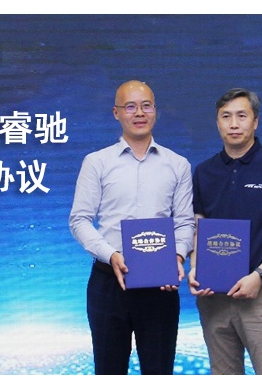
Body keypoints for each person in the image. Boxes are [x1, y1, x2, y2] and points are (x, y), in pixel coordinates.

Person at [68, 80, 194, 375]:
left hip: (160, 284)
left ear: (155, 111)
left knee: (159, 372)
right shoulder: (96, 162)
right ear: (116, 113)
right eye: (130, 107)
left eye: (146, 106)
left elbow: (185, 222)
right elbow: (79, 220)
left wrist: (176, 257)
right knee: (109, 372)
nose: (139, 113)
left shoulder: (178, 165)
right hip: (109, 282)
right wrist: (111, 254)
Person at [188, 88, 262, 375]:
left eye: (242, 116)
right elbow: (198, 228)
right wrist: (196, 269)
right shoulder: (204, 172)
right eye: (226, 117)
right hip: (214, 296)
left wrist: (258, 276)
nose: (234, 124)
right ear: (217, 123)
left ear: (255, 121)